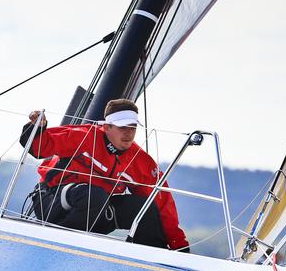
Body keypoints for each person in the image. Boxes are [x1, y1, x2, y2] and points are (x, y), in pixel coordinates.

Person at [20, 99, 189, 251]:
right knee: (95, 195)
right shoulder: (84, 136)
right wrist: (37, 128)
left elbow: (162, 202)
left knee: (145, 207)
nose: (129, 133)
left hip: (95, 210)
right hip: (51, 201)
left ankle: (150, 264)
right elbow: (39, 147)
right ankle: (61, 247)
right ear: (106, 127)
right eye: (122, 127)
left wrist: (179, 246)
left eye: (133, 127)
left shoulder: (140, 161)